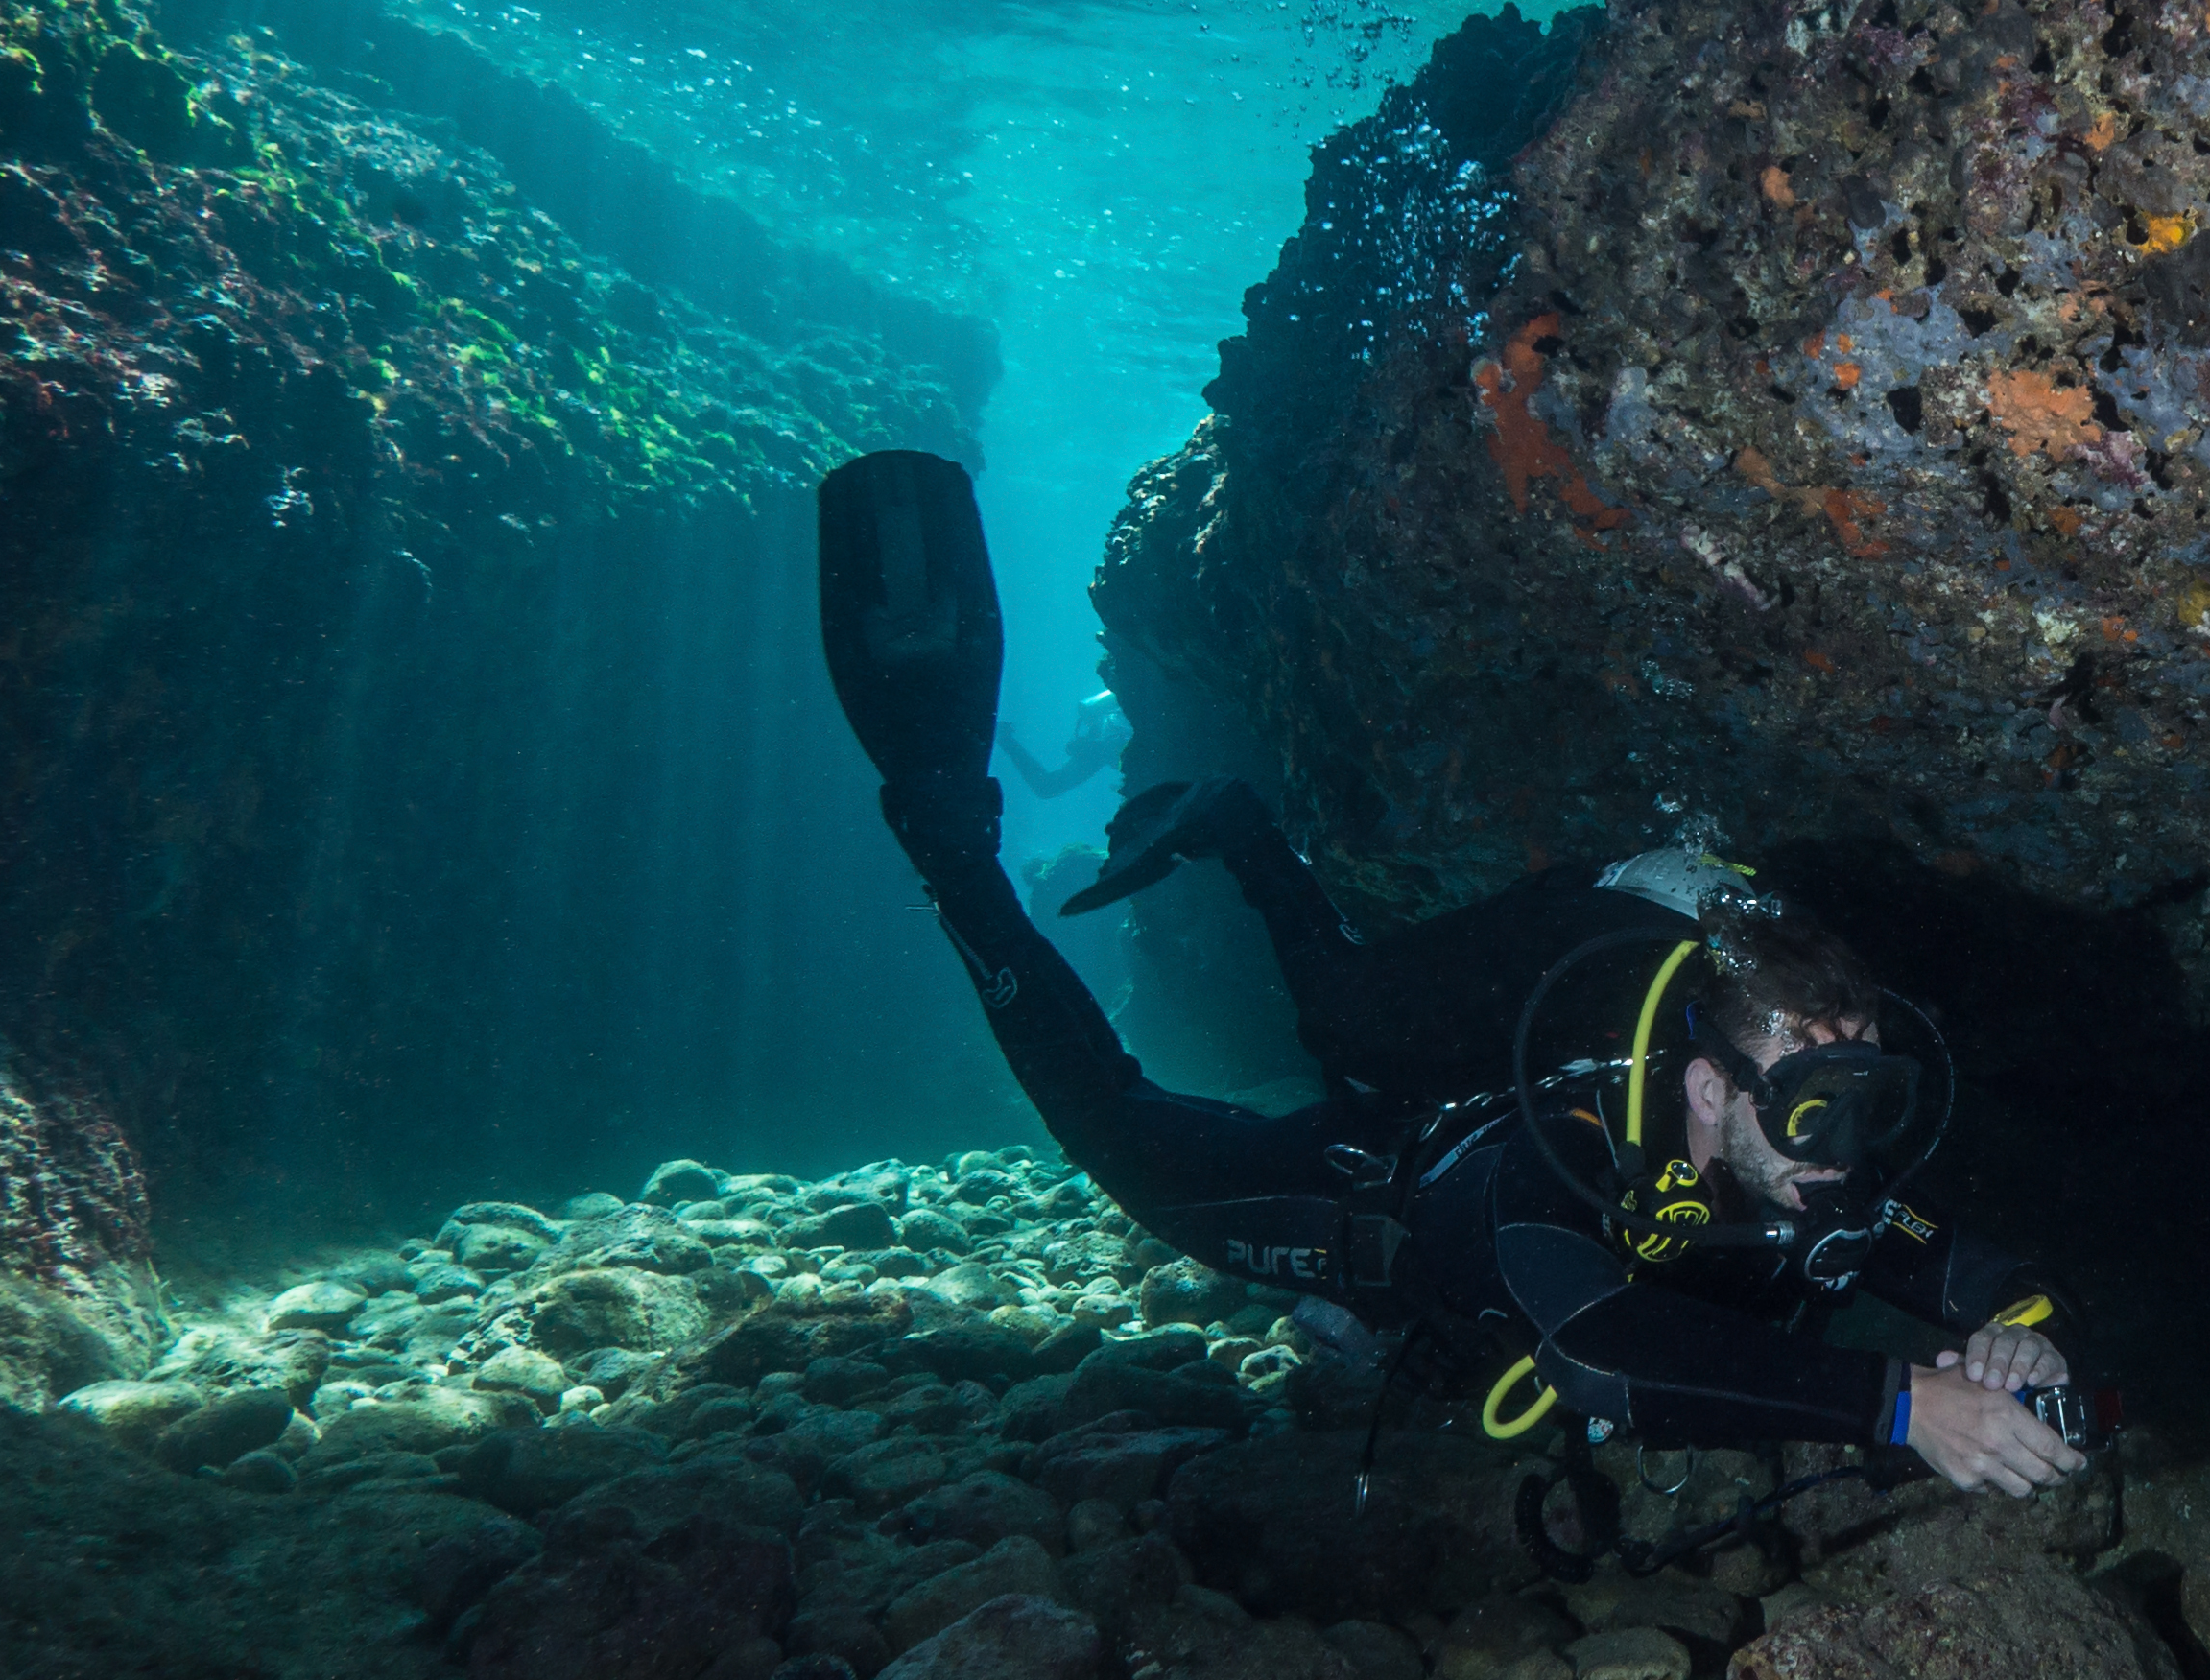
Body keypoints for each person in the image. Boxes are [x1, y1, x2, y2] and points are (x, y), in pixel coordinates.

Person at [817, 450, 2089, 1496]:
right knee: (1130, 1139)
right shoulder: (1578, 1142)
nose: (1843, 1146)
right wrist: (1900, 1402)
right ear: (1707, 1090)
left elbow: (1953, 1263)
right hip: (1393, 1206)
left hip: (1515, 1126)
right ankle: (964, 861)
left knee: (1340, 1032)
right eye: (1814, 1102)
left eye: (1864, 1097)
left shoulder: (1813, 1160)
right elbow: (1598, 1350)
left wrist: (2013, 1327)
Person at [1001, 688, 1127, 800]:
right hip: (1105, 742)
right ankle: (1003, 737)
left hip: (1106, 742)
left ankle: (1004, 738)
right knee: (1046, 787)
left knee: (1046, 787)